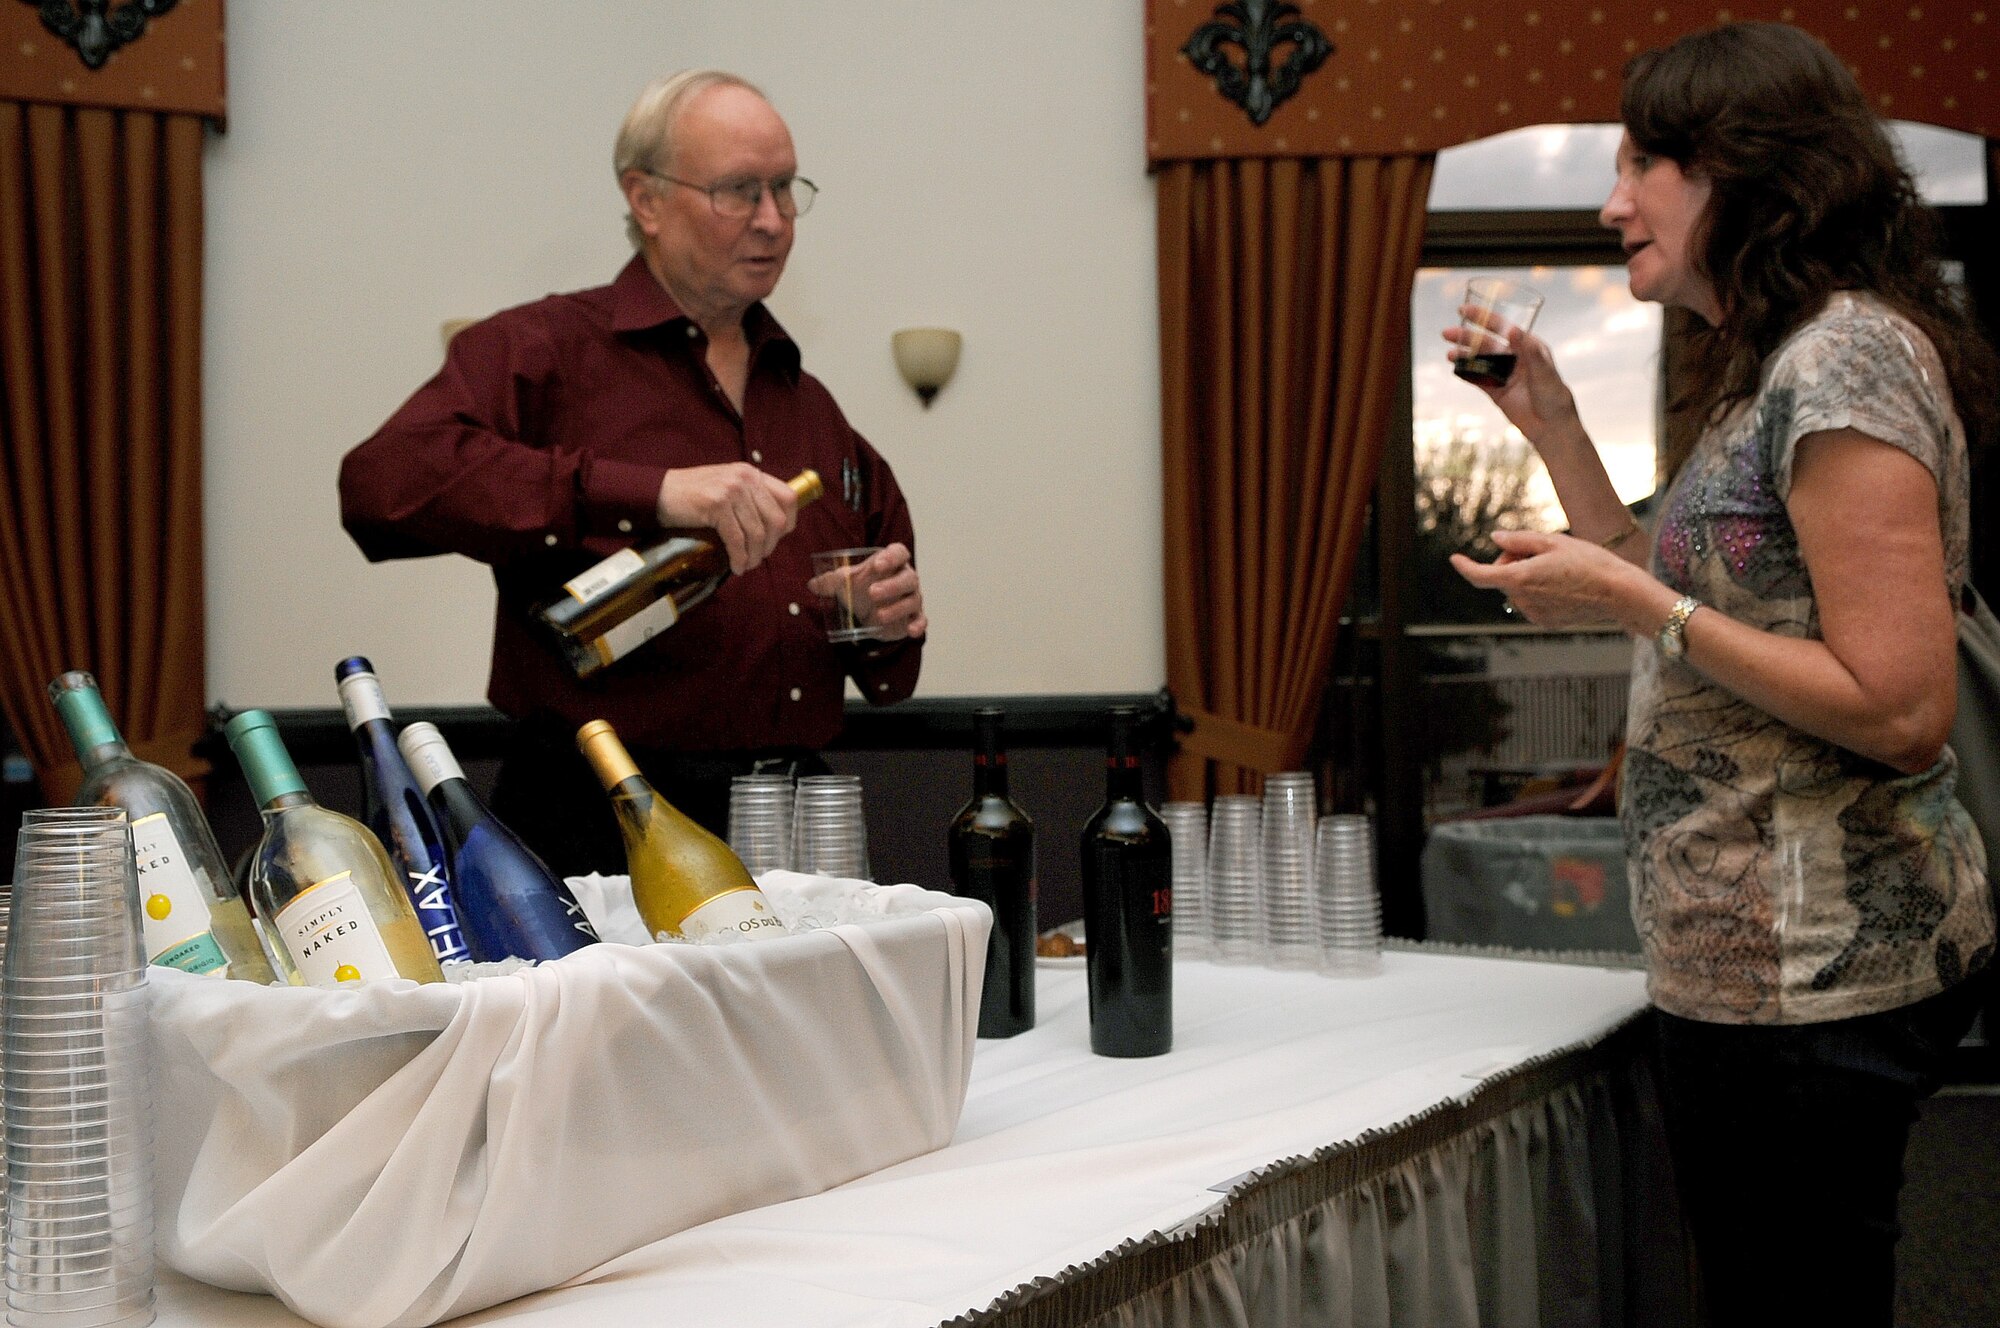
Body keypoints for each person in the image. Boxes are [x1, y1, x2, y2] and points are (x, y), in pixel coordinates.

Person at [1444, 23, 1997, 1326]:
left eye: (1642, 163)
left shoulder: (1845, 359)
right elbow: (1673, 585)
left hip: (1817, 978)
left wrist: (1633, 601)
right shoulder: (1767, 370)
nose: (1610, 203)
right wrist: (1553, 426)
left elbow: (1901, 707)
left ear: (1744, 173)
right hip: (1749, 973)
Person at [340, 70, 925, 875]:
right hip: (596, 821)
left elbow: (888, 670)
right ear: (646, 199)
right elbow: (381, 484)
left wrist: (879, 622)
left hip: (792, 824)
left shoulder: (812, 409)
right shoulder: (547, 351)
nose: (773, 219)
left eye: (786, 189)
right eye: (740, 191)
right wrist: (652, 492)